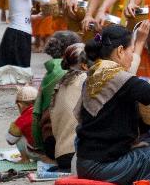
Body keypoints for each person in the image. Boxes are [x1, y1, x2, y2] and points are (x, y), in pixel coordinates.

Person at [75, 25, 150, 185]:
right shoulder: (118, 77)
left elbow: (114, 118)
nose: (132, 57)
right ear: (120, 51)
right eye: (131, 51)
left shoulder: (93, 74)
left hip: (86, 162)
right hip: (103, 167)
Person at [31, 30, 82, 167]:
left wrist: (38, 146)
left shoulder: (51, 72)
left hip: (50, 144)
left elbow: (36, 113)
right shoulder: (73, 73)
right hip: (68, 148)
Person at [40, 42, 91, 171]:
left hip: (60, 155)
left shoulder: (61, 83)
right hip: (78, 154)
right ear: (85, 65)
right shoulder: (86, 80)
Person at [6, 86, 45, 162]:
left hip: (36, 154)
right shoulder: (45, 111)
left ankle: (25, 159)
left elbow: (10, 140)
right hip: (51, 153)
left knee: (18, 134)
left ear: (20, 105)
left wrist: (13, 126)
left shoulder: (22, 119)